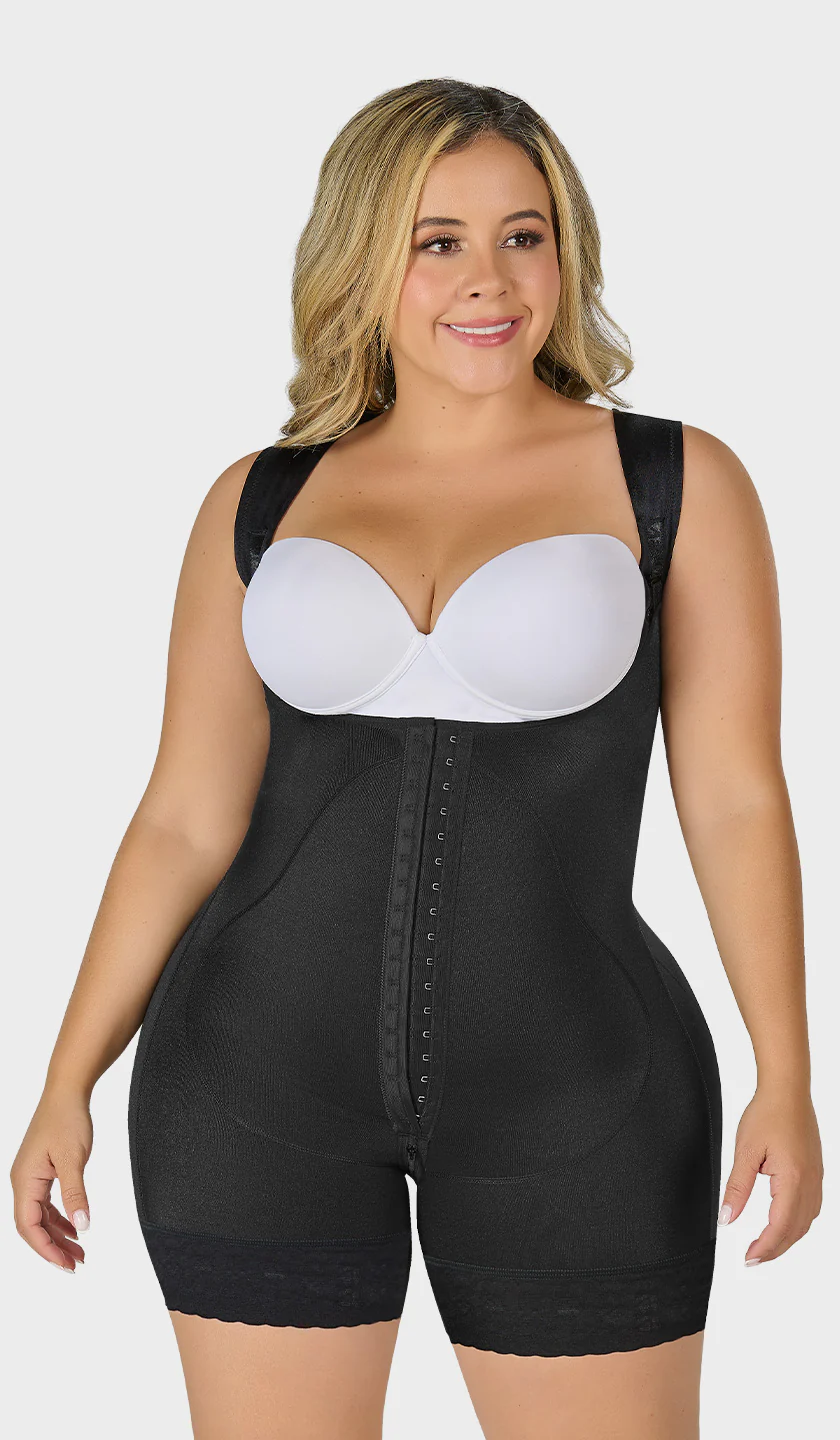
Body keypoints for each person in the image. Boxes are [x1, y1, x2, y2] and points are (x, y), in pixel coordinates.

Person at [10, 77, 823, 1440]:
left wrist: (786, 1073)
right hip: (247, 1082)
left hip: (583, 1087)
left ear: (566, 253)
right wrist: (63, 1077)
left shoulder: (676, 483)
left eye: (524, 235)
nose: (487, 278)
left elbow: (737, 799)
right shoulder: (262, 496)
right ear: (364, 258)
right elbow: (183, 817)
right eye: (437, 240)